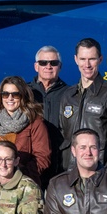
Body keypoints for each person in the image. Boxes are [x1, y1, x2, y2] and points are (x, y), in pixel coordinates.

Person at [58, 38, 107, 172]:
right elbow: (63, 136)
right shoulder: (68, 95)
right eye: (83, 59)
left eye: (92, 59)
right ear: (76, 60)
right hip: (69, 171)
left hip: (98, 171)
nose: (87, 64)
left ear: (100, 59)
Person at [0, 76, 50, 186]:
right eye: (5, 94)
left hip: (24, 188)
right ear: (0, 96)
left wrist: (17, 179)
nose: (10, 98)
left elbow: (42, 157)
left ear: (23, 96)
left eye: (15, 94)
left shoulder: (34, 122)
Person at [27, 45, 67, 187]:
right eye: (43, 63)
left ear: (60, 66)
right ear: (36, 66)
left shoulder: (70, 94)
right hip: (32, 165)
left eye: (53, 63)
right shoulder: (25, 93)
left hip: (61, 165)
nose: (48, 66)